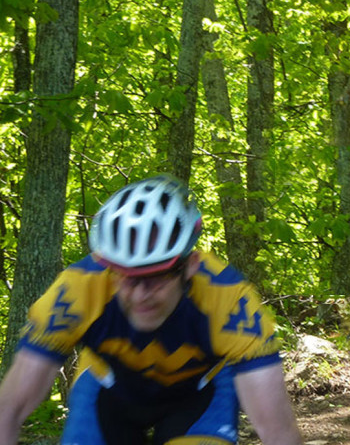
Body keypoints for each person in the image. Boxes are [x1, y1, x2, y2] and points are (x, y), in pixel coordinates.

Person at [0, 174, 303, 445]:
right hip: (108, 388)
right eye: (127, 278)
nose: (141, 294)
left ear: (190, 266)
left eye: (156, 276)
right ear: (109, 268)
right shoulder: (78, 290)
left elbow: (276, 428)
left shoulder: (229, 300)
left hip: (199, 393)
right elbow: (11, 406)